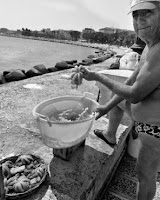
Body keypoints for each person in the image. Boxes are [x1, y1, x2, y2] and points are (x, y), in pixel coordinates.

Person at [71, 0, 160, 199]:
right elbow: (130, 81)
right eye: (135, 15)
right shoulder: (148, 47)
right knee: (116, 96)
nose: (140, 19)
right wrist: (104, 107)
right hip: (145, 118)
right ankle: (110, 135)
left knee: (145, 174)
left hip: (156, 127)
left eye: (147, 13)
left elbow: (135, 93)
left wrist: (97, 76)